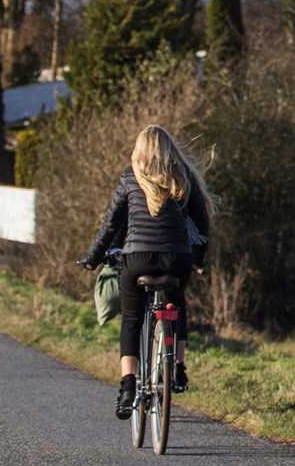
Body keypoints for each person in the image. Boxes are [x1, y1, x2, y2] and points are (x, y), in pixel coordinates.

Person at [79, 124, 212, 419]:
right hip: (176, 259)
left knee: (131, 318)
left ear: (139, 150)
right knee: (177, 304)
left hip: (136, 259)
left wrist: (93, 258)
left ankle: (128, 386)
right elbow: (202, 225)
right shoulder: (184, 178)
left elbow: (111, 224)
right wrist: (199, 259)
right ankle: (177, 369)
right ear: (170, 150)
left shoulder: (129, 179)